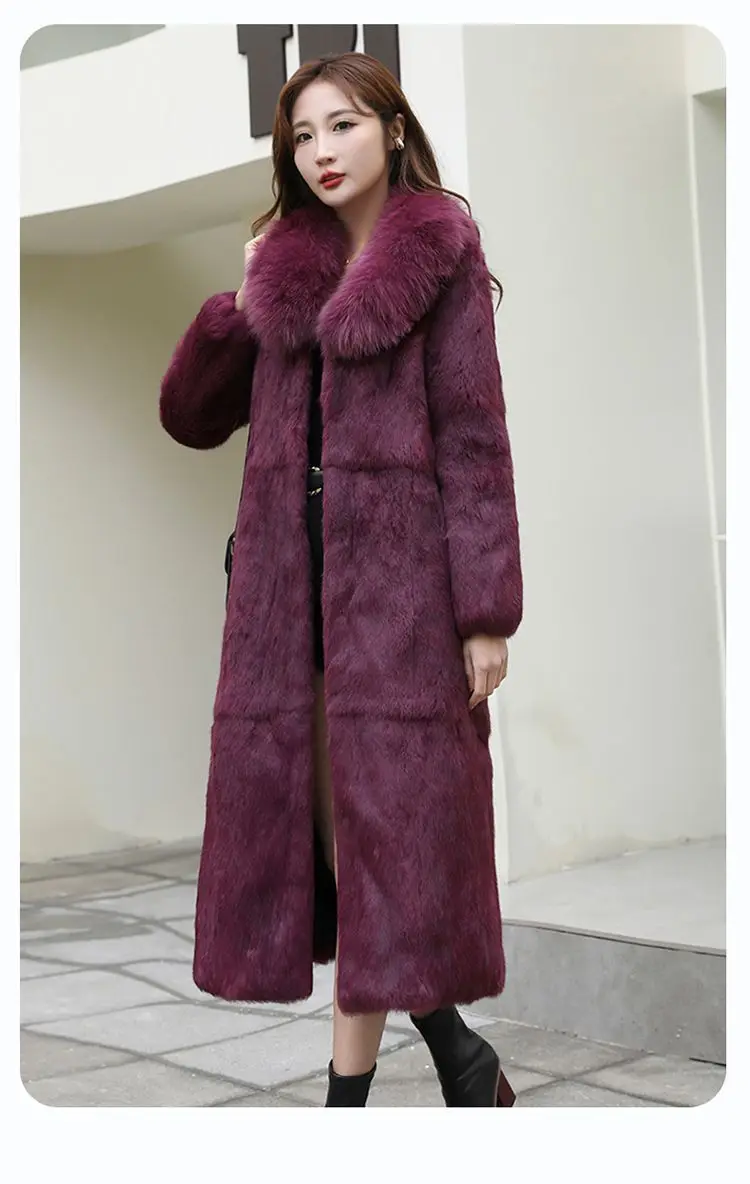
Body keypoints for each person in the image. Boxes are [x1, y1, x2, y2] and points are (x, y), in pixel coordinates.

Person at [159, 51, 523, 1108]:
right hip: (287, 609)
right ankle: (463, 1061)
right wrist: (237, 304)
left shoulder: (441, 256)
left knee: (383, 845)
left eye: (344, 125)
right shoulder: (281, 269)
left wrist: (486, 612)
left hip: (400, 610)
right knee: (343, 849)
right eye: (305, 135)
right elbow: (190, 417)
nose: (322, 151)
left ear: (393, 130)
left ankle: (347, 1112)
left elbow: (475, 443)